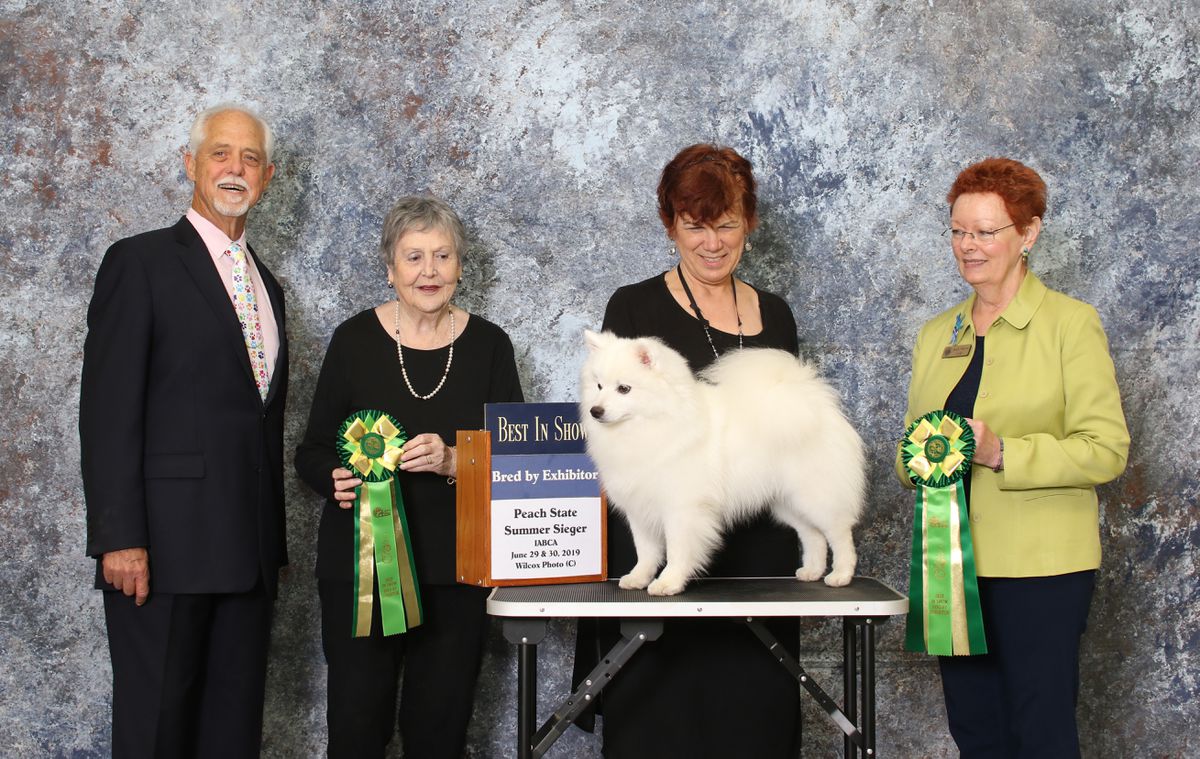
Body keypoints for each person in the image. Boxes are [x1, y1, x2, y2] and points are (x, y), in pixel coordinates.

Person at [575, 144, 802, 758]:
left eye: (726, 224)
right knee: (658, 729)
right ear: (670, 224)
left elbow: (793, 436)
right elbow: (609, 429)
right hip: (663, 559)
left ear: (748, 224)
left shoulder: (776, 316)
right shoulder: (633, 309)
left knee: (752, 727)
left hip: (760, 562)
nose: (712, 242)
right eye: (695, 225)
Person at [897, 157, 1129, 757]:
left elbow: (1105, 450)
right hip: (950, 569)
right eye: (958, 231)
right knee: (974, 732)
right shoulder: (934, 335)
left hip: (1043, 571)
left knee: (1041, 730)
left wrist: (1004, 453)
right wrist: (919, 459)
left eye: (985, 231)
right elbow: (908, 458)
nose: (968, 247)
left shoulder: (1071, 326)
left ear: (1028, 234)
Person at [80, 104, 287, 758]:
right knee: (156, 735)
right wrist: (120, 537)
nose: (235, 168)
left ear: (269, 176)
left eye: (249, 157)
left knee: (231, 738)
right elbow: (107, 412)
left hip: (248, 556)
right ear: (190, 163)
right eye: (221, 153)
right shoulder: (138, 263)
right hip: (162, 556)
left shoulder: (269, 286)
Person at [294, 195, 524, 758]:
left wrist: (454, 461)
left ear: (460, 267)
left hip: (457, 572)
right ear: (390, 267)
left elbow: (520, 463)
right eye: (414, 257)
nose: (429, 271)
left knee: (440, 733)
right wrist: (334, 477)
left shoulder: (490, 345)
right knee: (356, 726)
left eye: (442, 256)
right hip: (360, 572)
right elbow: (312, 449)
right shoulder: (353, 340)